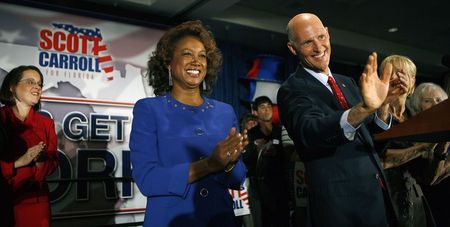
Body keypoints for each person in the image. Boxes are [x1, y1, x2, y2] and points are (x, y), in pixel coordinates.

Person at [277, 13, 406, 226]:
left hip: (378, 200)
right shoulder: (292, 90)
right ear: (293, 48)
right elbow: (312, 133)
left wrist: (383, 106)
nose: (319, 47)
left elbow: (372, 146)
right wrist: (364, 108)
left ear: (328, 33)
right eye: (308, 42)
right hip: (342, 210)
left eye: (321, 37)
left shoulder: (347, 83)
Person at [130, 20, 248, 227]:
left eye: (202, 56)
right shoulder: (149, 109)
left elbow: (237, 179)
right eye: (187, 54)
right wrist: (208, 165)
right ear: (168, 62)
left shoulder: (225, 112)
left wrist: (229, 164)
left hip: (220, 219)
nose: (196, 61)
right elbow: (147, 180)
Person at [378, 56, 450, 227]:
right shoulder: (376, 116)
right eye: (392, 73)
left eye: (405, 74)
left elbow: (429, 178)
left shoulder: (418, 121)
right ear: (382, 79)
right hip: (381, 200)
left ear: (413, 81)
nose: (399, 78)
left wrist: (443, 144)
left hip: (413, 206)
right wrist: (427, 144)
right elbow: (382, 160)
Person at [0, 65, 59, 227]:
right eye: (30, 82)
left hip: (36, 203)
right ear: (12, 87)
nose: (37, 87)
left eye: (39, 84)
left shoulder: (46, 123)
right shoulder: (2, 118)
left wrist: (41, 160)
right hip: (4, 199)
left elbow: (53, 162)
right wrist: (20, 161)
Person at [243, 96, 290, 227]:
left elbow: (291, 155)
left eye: (269, 106)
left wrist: (278, 152)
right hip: (258, 188)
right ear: (255, 112)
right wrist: (257, 151)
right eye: (262, 107)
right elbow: (245, 160)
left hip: (281, 186)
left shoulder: (280, 131)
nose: (267, 109)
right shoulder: (250, 134)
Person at [408, 82, 450, 227]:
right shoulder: (413, 134)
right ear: (417, 106)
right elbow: (428, 179)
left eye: (439, 101)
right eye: (427, 101)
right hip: (426, 206)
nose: (435, 105)